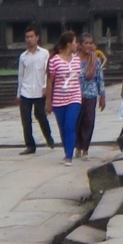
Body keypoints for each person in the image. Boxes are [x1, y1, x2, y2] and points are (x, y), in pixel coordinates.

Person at [16, 26, 55, 154]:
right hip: (26, 91)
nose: (29, 39)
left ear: (37, 37)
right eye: (27, 37)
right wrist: (18, 93)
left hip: (40, 90)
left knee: (41, 116)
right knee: (25, 120)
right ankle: (30, 145)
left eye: (31, 37)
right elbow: (21, 75)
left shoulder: (44, 54)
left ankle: (48, 137)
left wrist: (46, 87)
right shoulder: (23, 57)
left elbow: (47, 72)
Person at [46, 28, 83, 160]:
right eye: (75, 42)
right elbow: (50, 81)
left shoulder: (77, 60)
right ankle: (67, 149)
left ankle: (69, 156)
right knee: (63, 128)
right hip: (59, 99)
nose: (77, 45)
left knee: (70, 125)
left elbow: (78, 79)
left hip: (74, 98)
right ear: (68, 44)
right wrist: (48, 102)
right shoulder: (54, 60)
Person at [78, 33, 107, 153]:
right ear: (80, 45)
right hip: (76, 95)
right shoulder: (74, 60)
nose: (89, 46)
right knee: (77, 122)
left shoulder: (95, 60)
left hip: (91, 94)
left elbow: (100, 78)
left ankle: (85, 148)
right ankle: (77, 146)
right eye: (86, 43)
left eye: (91, 43)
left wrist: (102, 96)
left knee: (88, 121)